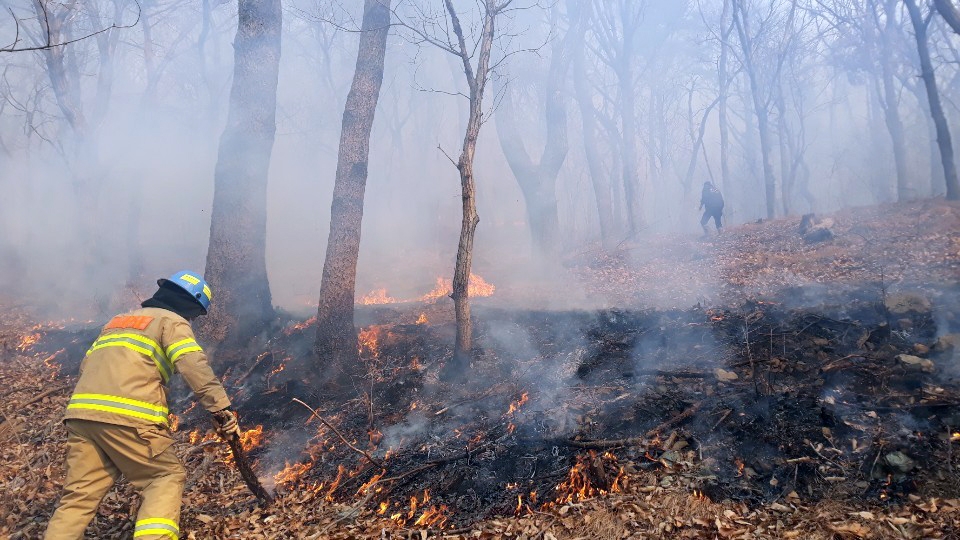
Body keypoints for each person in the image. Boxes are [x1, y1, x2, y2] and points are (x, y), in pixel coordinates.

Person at [44, 271, 241, 540]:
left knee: (78, 499)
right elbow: (194, 365)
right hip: (129, 418)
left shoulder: (118, 321)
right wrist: (221, 409)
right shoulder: (171, 322)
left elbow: (87, 365)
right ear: (190, 306)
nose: (192, 320)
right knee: (164, 477)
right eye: (194, 315)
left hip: (82, 416)